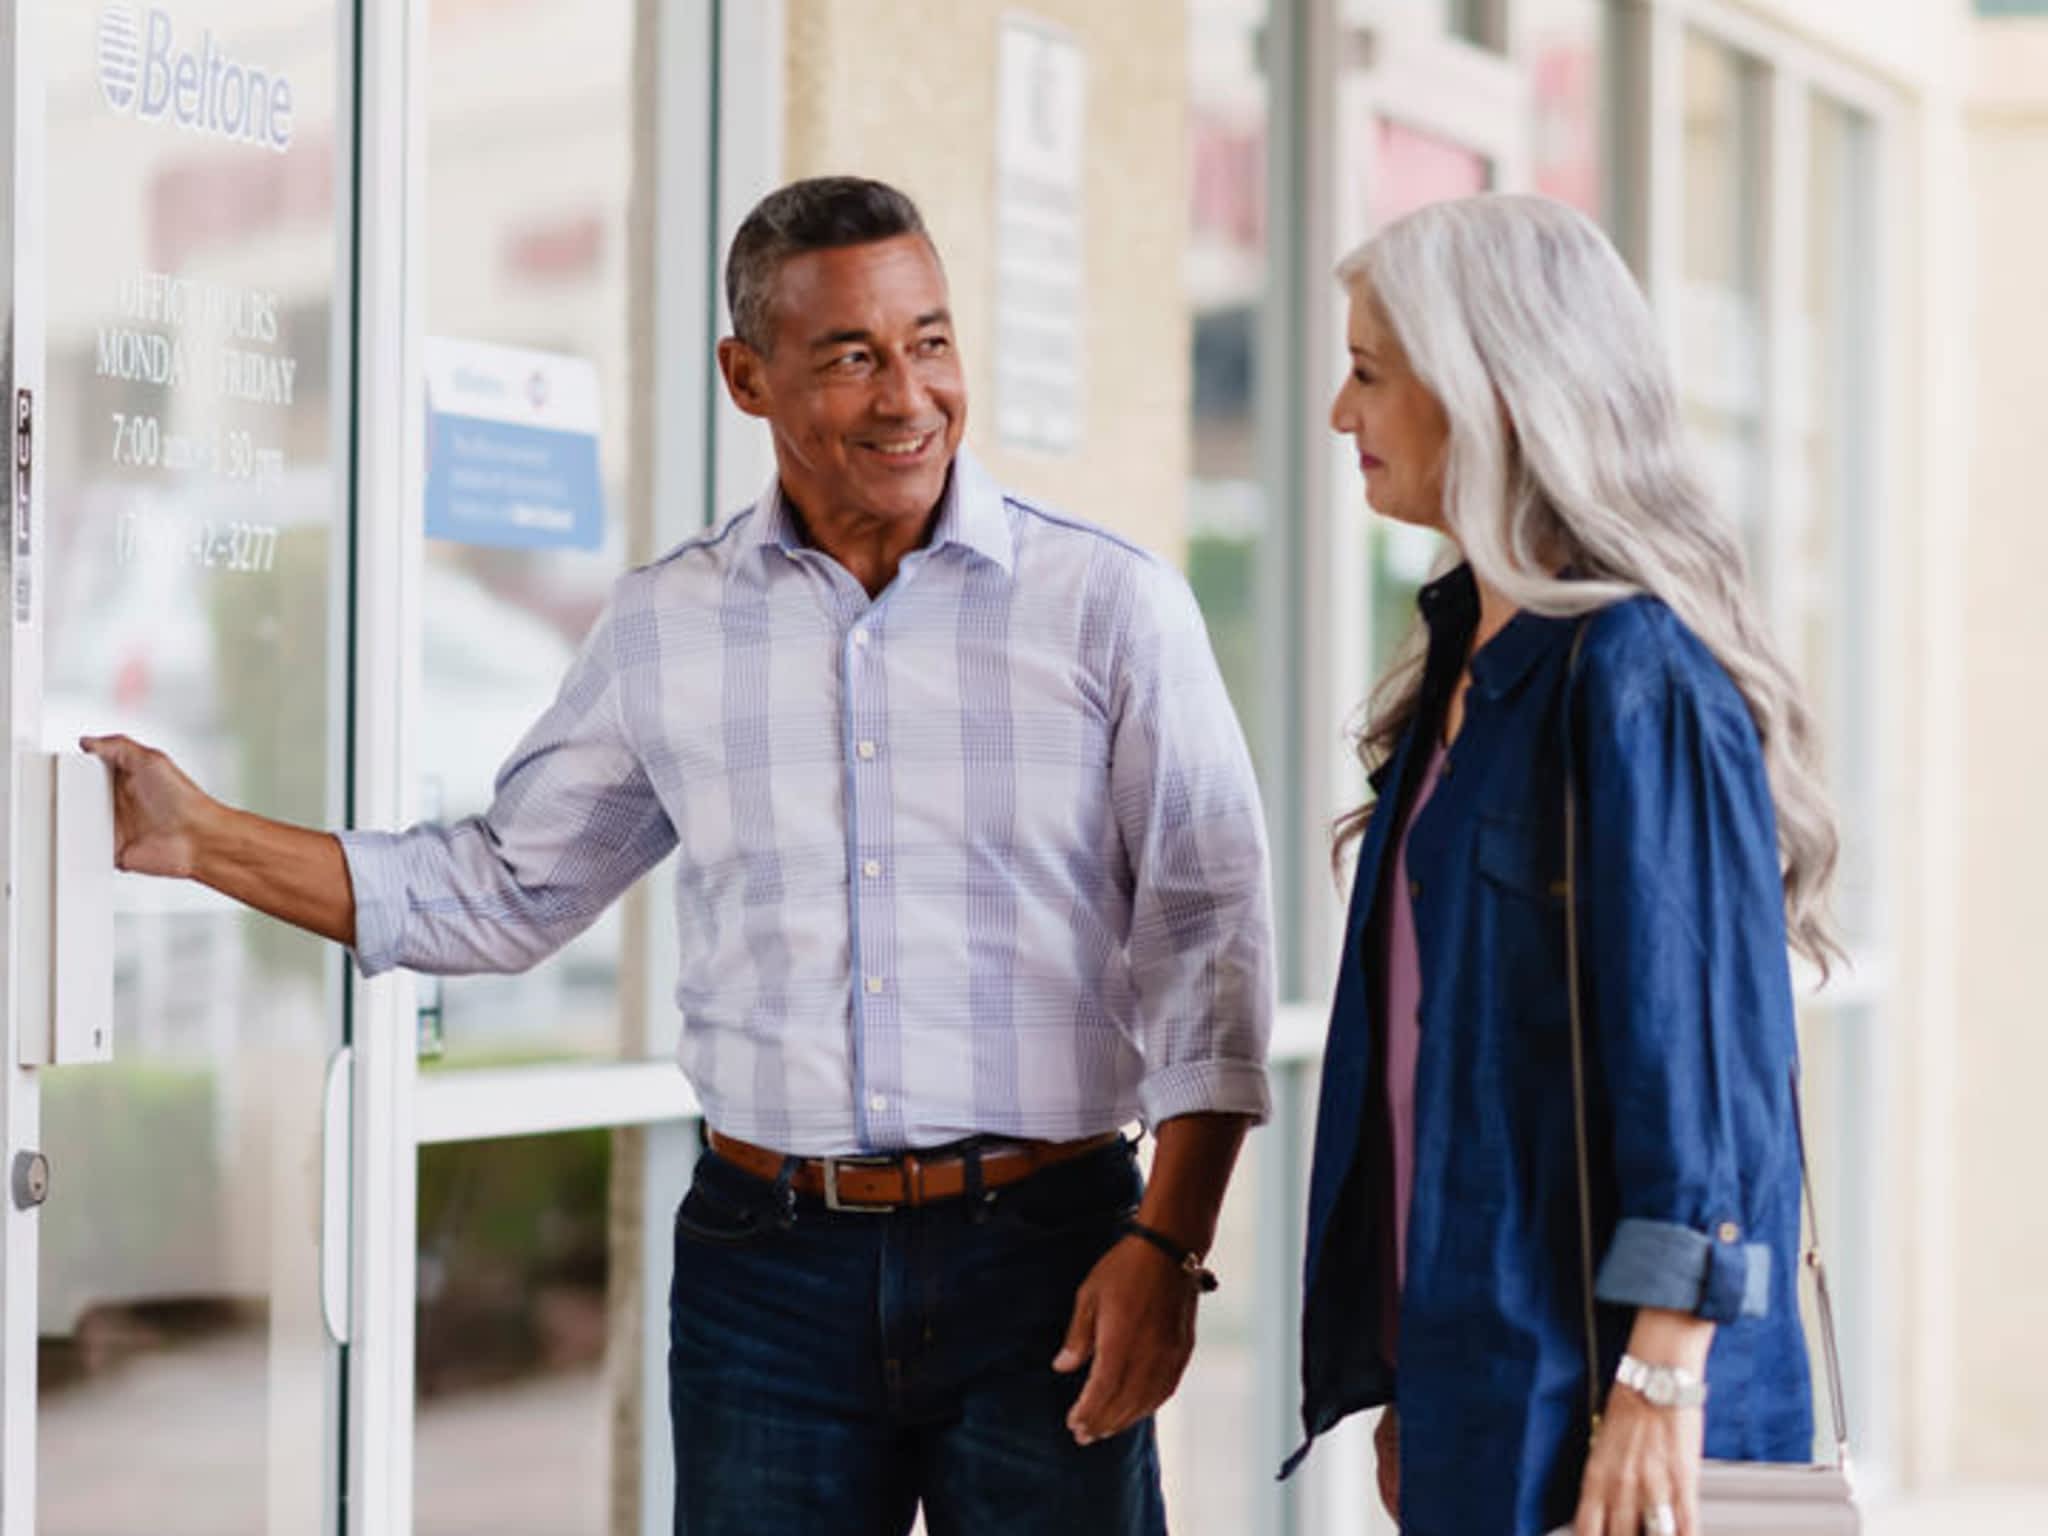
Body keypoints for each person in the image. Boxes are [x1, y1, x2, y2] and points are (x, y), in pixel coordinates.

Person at [85, 175, 1274, 1536]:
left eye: (930, 341)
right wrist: (203, 839)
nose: (909, 396)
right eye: (851, 356)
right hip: (769, 1278)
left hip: (1050, 1253)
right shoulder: (670, 627)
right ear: (745, 377)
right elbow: (504, 890)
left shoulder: (1110, 607)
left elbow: (1210, 946)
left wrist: (1169, 1245)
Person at [1286, 193, 1837, 1536]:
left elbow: (1702, 1066)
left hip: (1616, 1400)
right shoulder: (1460, 662)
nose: (1340, 416)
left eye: (1369, 373)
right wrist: (1415, 1373)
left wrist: (1660, 1377)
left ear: (1492, 394)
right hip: (1482, 1368)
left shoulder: (1633, 674)